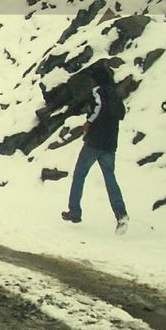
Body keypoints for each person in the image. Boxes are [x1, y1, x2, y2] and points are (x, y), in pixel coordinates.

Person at [61, 63, 129, 233]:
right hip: (110, 143)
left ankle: (74, 211)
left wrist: (89, 121)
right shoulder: (114, 94)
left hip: (94, 142)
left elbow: (98, 107)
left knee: (79, 175)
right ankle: (120, 213)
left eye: (92, 79)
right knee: (110, 179)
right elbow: (121, 113)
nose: (90, 82)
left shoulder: (98, 92)